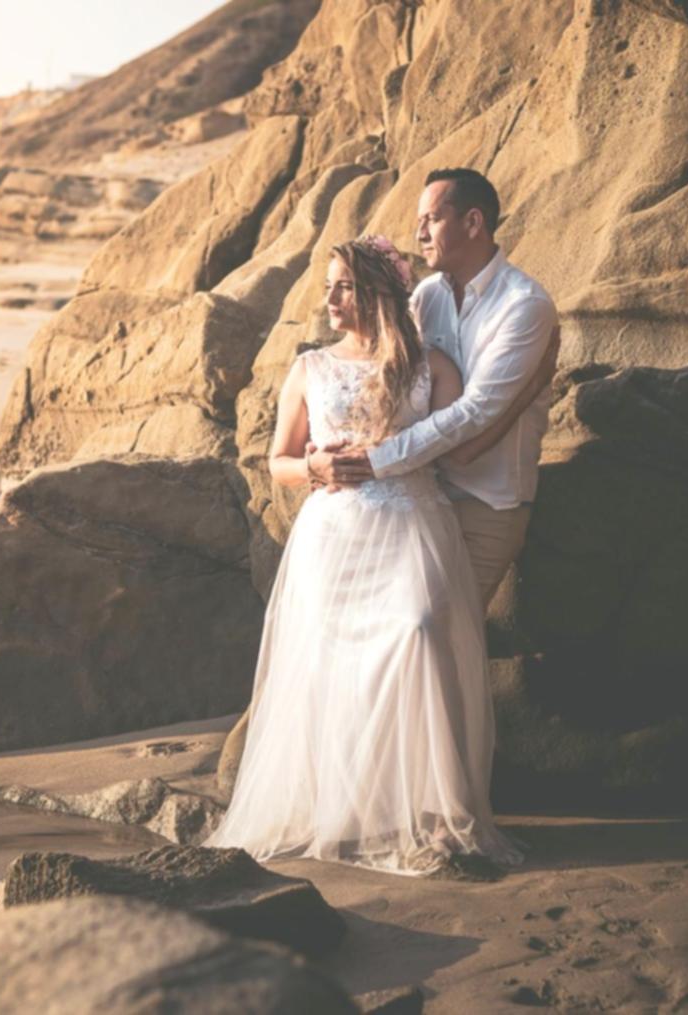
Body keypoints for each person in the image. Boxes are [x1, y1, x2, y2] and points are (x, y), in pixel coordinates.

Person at [203, 235, 528, 876]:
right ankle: (351, 811)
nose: (330, 297)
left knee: (417, 633)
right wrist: (316, 464)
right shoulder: (309, 368)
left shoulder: (430, 366)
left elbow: (459, 441)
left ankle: (432, 811)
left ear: (380, 292)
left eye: (344, 286)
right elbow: (279, 462)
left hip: (413, 523)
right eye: (328, 285)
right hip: (334, 533)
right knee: (331, 662)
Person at [317, 168, 559, 607]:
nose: (419, 231)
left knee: (437, 629)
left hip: (485, 501)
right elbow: (390, 371)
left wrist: (375, 461)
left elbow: (475, 412)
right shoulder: (427, 296)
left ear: (472, 222)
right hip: (419, 496)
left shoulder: (524, 306)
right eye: (418, 220)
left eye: (431, 219)